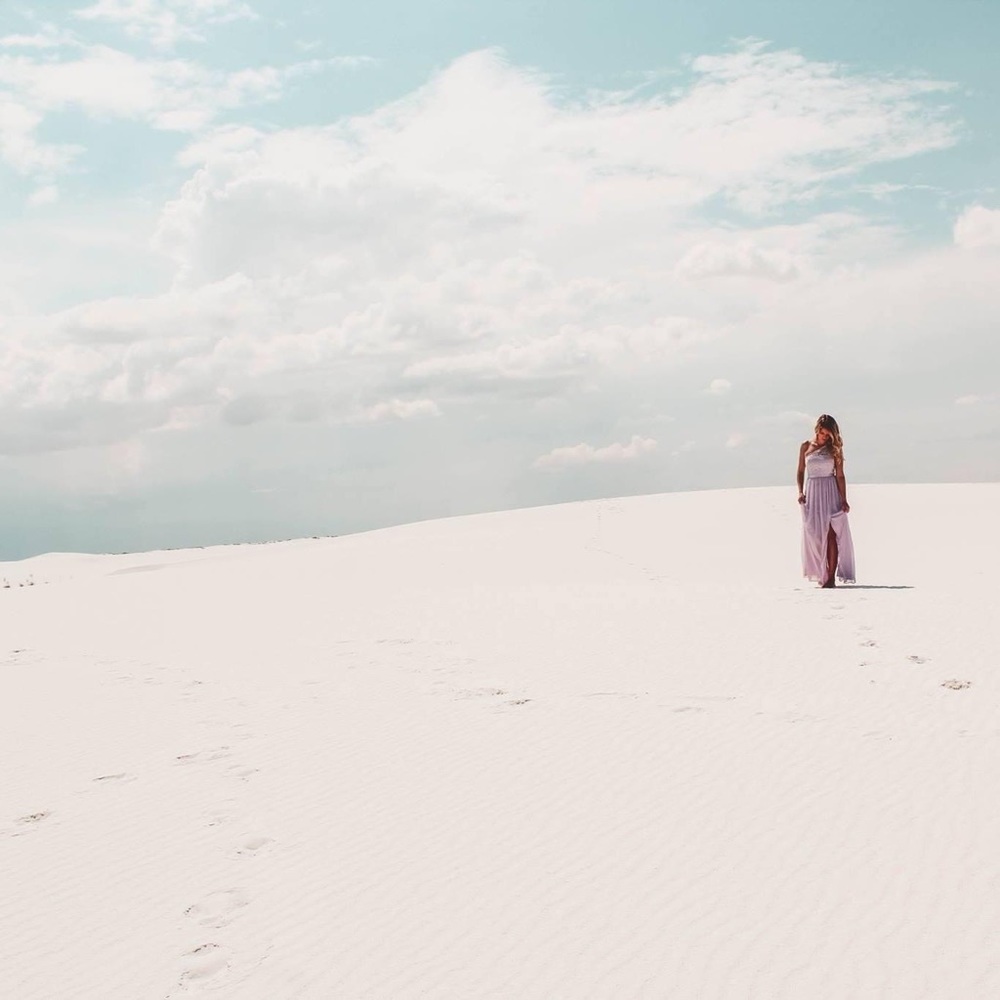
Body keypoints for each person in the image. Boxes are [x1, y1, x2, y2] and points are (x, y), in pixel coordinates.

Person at [797, 414, 855, 587]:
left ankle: (830, 577)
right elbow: (800, 471)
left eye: (828, 435)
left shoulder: (834, 449)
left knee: (831, 534)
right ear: (817, 430)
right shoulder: (805, 446)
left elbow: (840, 475)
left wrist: (844, 499)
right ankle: (821, 572)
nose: (824, 437)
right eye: (822, 433)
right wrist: (800, 492)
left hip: (830, 491)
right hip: (813, 492)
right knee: (815, 533)